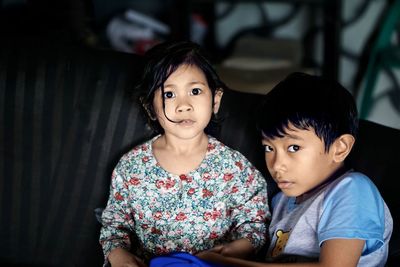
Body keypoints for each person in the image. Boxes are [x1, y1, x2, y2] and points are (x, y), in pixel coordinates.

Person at [99, 40, 271, 267]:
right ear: (150, 107)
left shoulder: (234, 167)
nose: (184, 105)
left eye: (195, 91)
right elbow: (115, 225)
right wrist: (118, 254)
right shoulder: (131, 166)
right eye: (169, 95)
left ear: (215, 100)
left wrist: (233, 250)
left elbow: (254, 224)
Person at [197, 72, 393, 266]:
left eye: (294, 147)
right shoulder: (283, 199)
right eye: (269, 148)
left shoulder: (351, 190)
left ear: (339, 148)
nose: (276, 164)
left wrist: (228, 264)